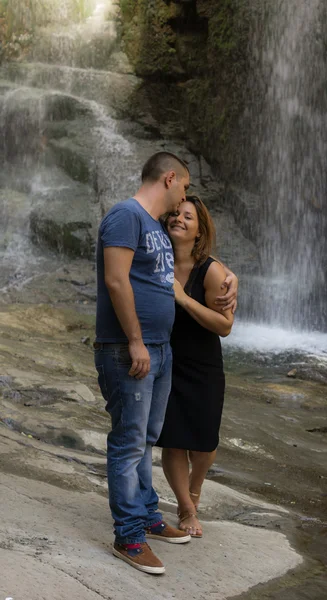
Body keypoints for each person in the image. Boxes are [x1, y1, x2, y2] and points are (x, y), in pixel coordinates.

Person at [94, 153, 237, 575]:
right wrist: (135, 341)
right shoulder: (126, 216)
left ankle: (148, 516)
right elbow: (116, 280)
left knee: (147, 437)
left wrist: (233, 280)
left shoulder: (155, 229)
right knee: (128, 440)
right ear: (170, 178)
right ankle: (129, 537)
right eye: (184, 187)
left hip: (161, 351)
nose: (184, 198)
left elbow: (193, 261)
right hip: (130, 349)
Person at [156, 195, 235, 538]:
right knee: (173, 441)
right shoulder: (156, 259)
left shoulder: (212, 270)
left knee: (203, 444)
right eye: (174, 214)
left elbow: (225, 325)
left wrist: (184, 298)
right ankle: (187, 508)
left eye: (187, 217)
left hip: (202, 366)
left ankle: (195, 489)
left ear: (200, 229)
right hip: (166, 361)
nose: (179, 219)